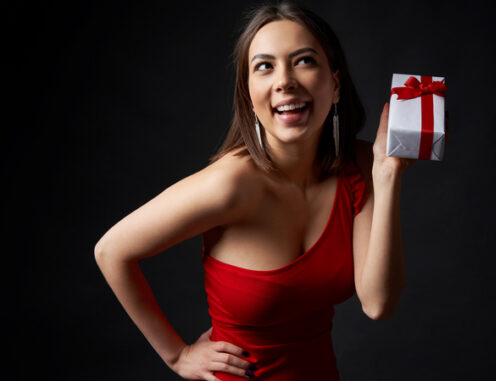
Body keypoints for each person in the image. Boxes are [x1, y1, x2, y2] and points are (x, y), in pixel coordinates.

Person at [95, 2, 410, 380]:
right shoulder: (230, 184)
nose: (285, 81)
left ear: (336, 84)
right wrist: (177, 356)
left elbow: (378, 303)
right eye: (265, 66)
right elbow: (111, 251)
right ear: (249, 92)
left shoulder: (361, 165)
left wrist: (387, 171)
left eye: (304, 61)